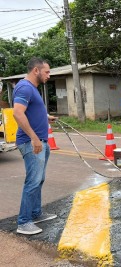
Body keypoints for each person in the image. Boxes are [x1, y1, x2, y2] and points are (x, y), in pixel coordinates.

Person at [12, 57, 58, 235]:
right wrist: (34, 138)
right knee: (32, 181)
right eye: (46, 72)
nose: (49, 75)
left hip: (40, 141)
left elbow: (30, 111)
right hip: (32, 142)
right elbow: (17, 113)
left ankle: (36, 213)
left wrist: (46, 117)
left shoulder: (32, 89)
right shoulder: (24, 87)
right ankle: (24, 222)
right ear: (36, 71)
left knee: (39, 179)